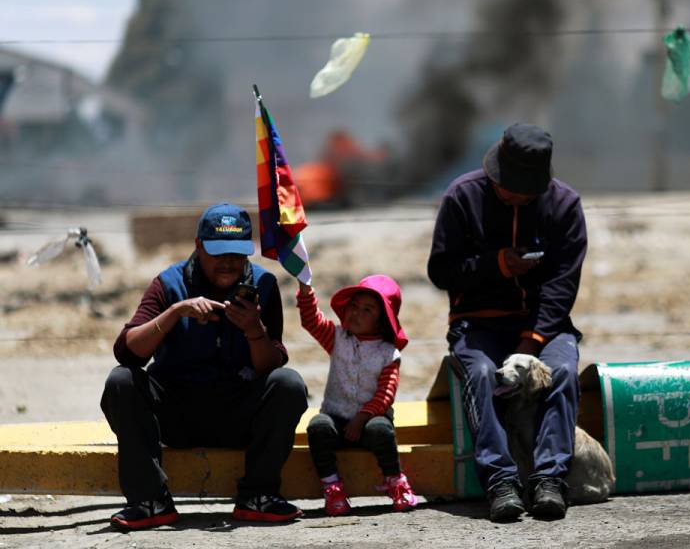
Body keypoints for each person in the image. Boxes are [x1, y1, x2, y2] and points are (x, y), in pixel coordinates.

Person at [101, 203, 308, 530]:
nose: (229, 263)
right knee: (121, 382)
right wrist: (174, 314)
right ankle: (150, 500)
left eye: (237, 255)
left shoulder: (264, 286)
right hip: (177, 413)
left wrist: (254, 330)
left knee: (289, 383)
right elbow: (127, 352)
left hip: (237, 414)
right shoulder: (168, 284)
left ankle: (258, 496)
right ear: (198, 247)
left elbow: (271, 367)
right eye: (218, 253)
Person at [427, 123, 588, 522]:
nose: (513, 194)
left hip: (544, 326)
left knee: (563, 371)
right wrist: (495, 264)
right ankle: (500, 481)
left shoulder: (565, 206)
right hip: (477, 325)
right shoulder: (461, 198)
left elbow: (562, 284)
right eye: (507, 186)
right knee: (481, 373)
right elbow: (441, 272)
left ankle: (549, 480)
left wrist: (532, 343)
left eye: (524, 190)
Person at [295, 275, 418, 516]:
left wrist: (361, 418)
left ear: (383, 320)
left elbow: (386, 394)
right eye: (353, 306)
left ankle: (395, 481)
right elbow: (311, 320)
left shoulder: (387, 353)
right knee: (318, 427)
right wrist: (305, 288)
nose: (356, 313)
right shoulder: (337, 337)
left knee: (381, 431)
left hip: (370, 420)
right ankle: (333, 488)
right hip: (337, 418)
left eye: (367, 309)